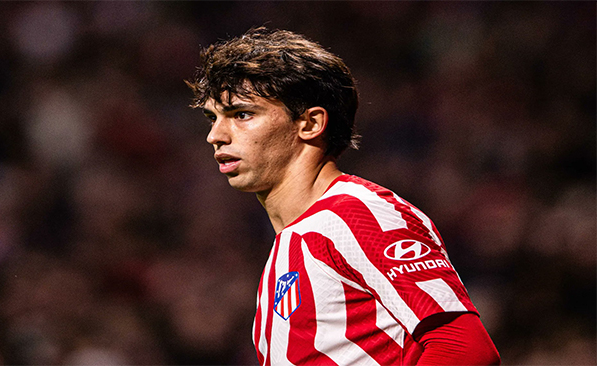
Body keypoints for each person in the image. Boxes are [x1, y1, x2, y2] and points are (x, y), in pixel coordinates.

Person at [187, 27, 500, 365]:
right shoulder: (287, 247)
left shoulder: (359, 213)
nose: (215, 135)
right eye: (212, 117)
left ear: (310, 123)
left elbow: (465, 350)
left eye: (241, 114)